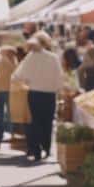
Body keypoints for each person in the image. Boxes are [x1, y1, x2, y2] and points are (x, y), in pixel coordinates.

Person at [12, 32, 64, 161]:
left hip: (34, 93)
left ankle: (36, 151)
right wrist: (58, 90)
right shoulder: (53, 58)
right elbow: (59, 78)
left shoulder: (30, 57)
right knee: (47, 122)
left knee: (35, 122)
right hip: (50, 95)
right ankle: (46, 148)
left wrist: (27, 82)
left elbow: (17, 76)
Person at [0, 46, 17, 149]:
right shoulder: (12, 61)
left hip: (0, 89)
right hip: (9, 90)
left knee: (1, 114)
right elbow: (16, 73)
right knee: (11, 114)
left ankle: (0, 136)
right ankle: (12, 134)